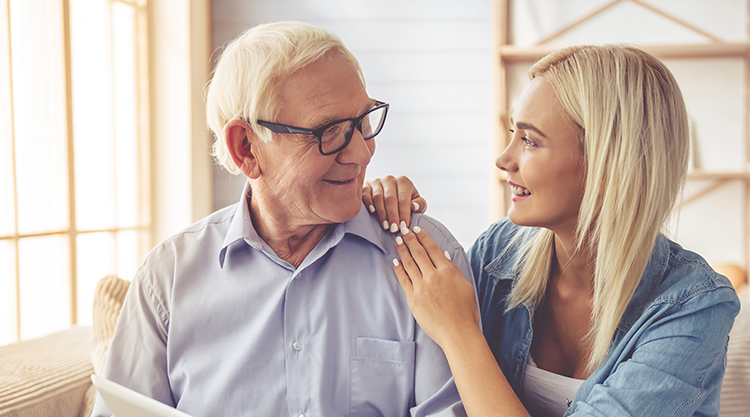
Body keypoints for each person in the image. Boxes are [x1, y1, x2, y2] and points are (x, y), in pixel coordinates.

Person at [91, 21, 473, 417]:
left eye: (362, 122)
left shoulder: (427, 260)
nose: (362, 152)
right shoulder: (166, 280)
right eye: (331, 131)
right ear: (246, 149)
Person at [363, 44, 741, 416]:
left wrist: (459, 333)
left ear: (607, 162)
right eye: (513, 134)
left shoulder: (695, 305)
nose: (503, 159)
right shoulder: (498, 253)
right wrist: (386, 210)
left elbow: (455, 335)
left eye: (529, 140)